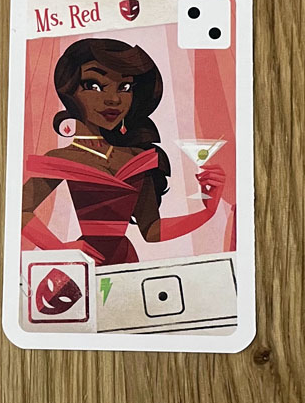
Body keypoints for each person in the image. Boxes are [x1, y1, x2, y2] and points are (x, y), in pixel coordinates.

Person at [21, 38, 225, 266]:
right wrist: (59, 248)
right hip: (85, 262)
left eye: (125, 87)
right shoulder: (61, 160)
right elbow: (20, 209)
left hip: (126, 260)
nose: (114, 99)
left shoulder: (138, 159)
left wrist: (208, 211)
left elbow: (152, 231)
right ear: (69, 90)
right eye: (93, 85)